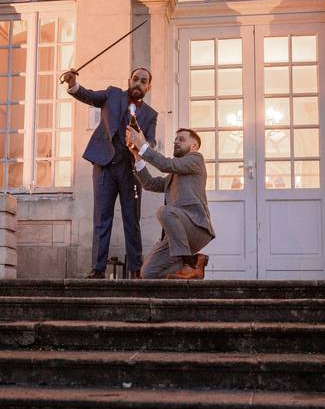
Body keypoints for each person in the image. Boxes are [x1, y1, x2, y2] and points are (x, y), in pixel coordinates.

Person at [60, 67, 158, 279]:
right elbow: (88, 96)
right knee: (101, 218)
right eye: (136, 79)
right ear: (129, 80)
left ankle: (136, 270)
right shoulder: (112, 94)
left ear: (148, 87)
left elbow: (151, 142)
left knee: (132, 219)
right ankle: (98, 270)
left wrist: (141, 143)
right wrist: (72, 84)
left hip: (131, 170)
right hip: (105, 166)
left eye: (143, 81)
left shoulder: (151, 115)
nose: (138, 83)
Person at [126, 126, 214, 280]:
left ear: (193, 146)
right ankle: (195, 264)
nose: (176, 142)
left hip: (196, 227)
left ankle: (189, 264)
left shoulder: (196, 159)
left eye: (181, 139)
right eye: (175, 139)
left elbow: (166, 164)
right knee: (148, 272)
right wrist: (137, 156)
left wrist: (142, 146)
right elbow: (150, 184)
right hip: (177, 234)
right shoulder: (174, 176)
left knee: (164, 211)